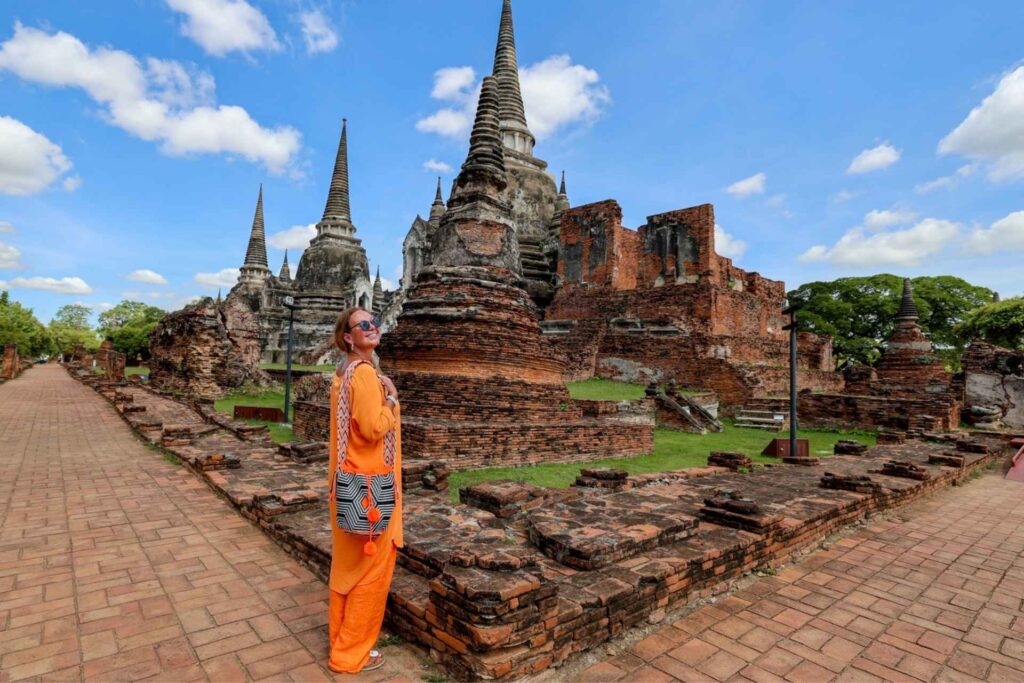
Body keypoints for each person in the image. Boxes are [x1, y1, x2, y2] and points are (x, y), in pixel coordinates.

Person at [326, 306, 402, 673]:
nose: (373, 327)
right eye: (363, 325)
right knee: (370, 574)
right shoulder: (365, 375)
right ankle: (351, 653)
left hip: (347, 485)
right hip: (371, 489)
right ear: (348, 337)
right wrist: (391, 399)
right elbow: (373, 429)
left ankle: (342, 641)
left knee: (347, 570)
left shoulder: (343, 372)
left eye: (375, 322)